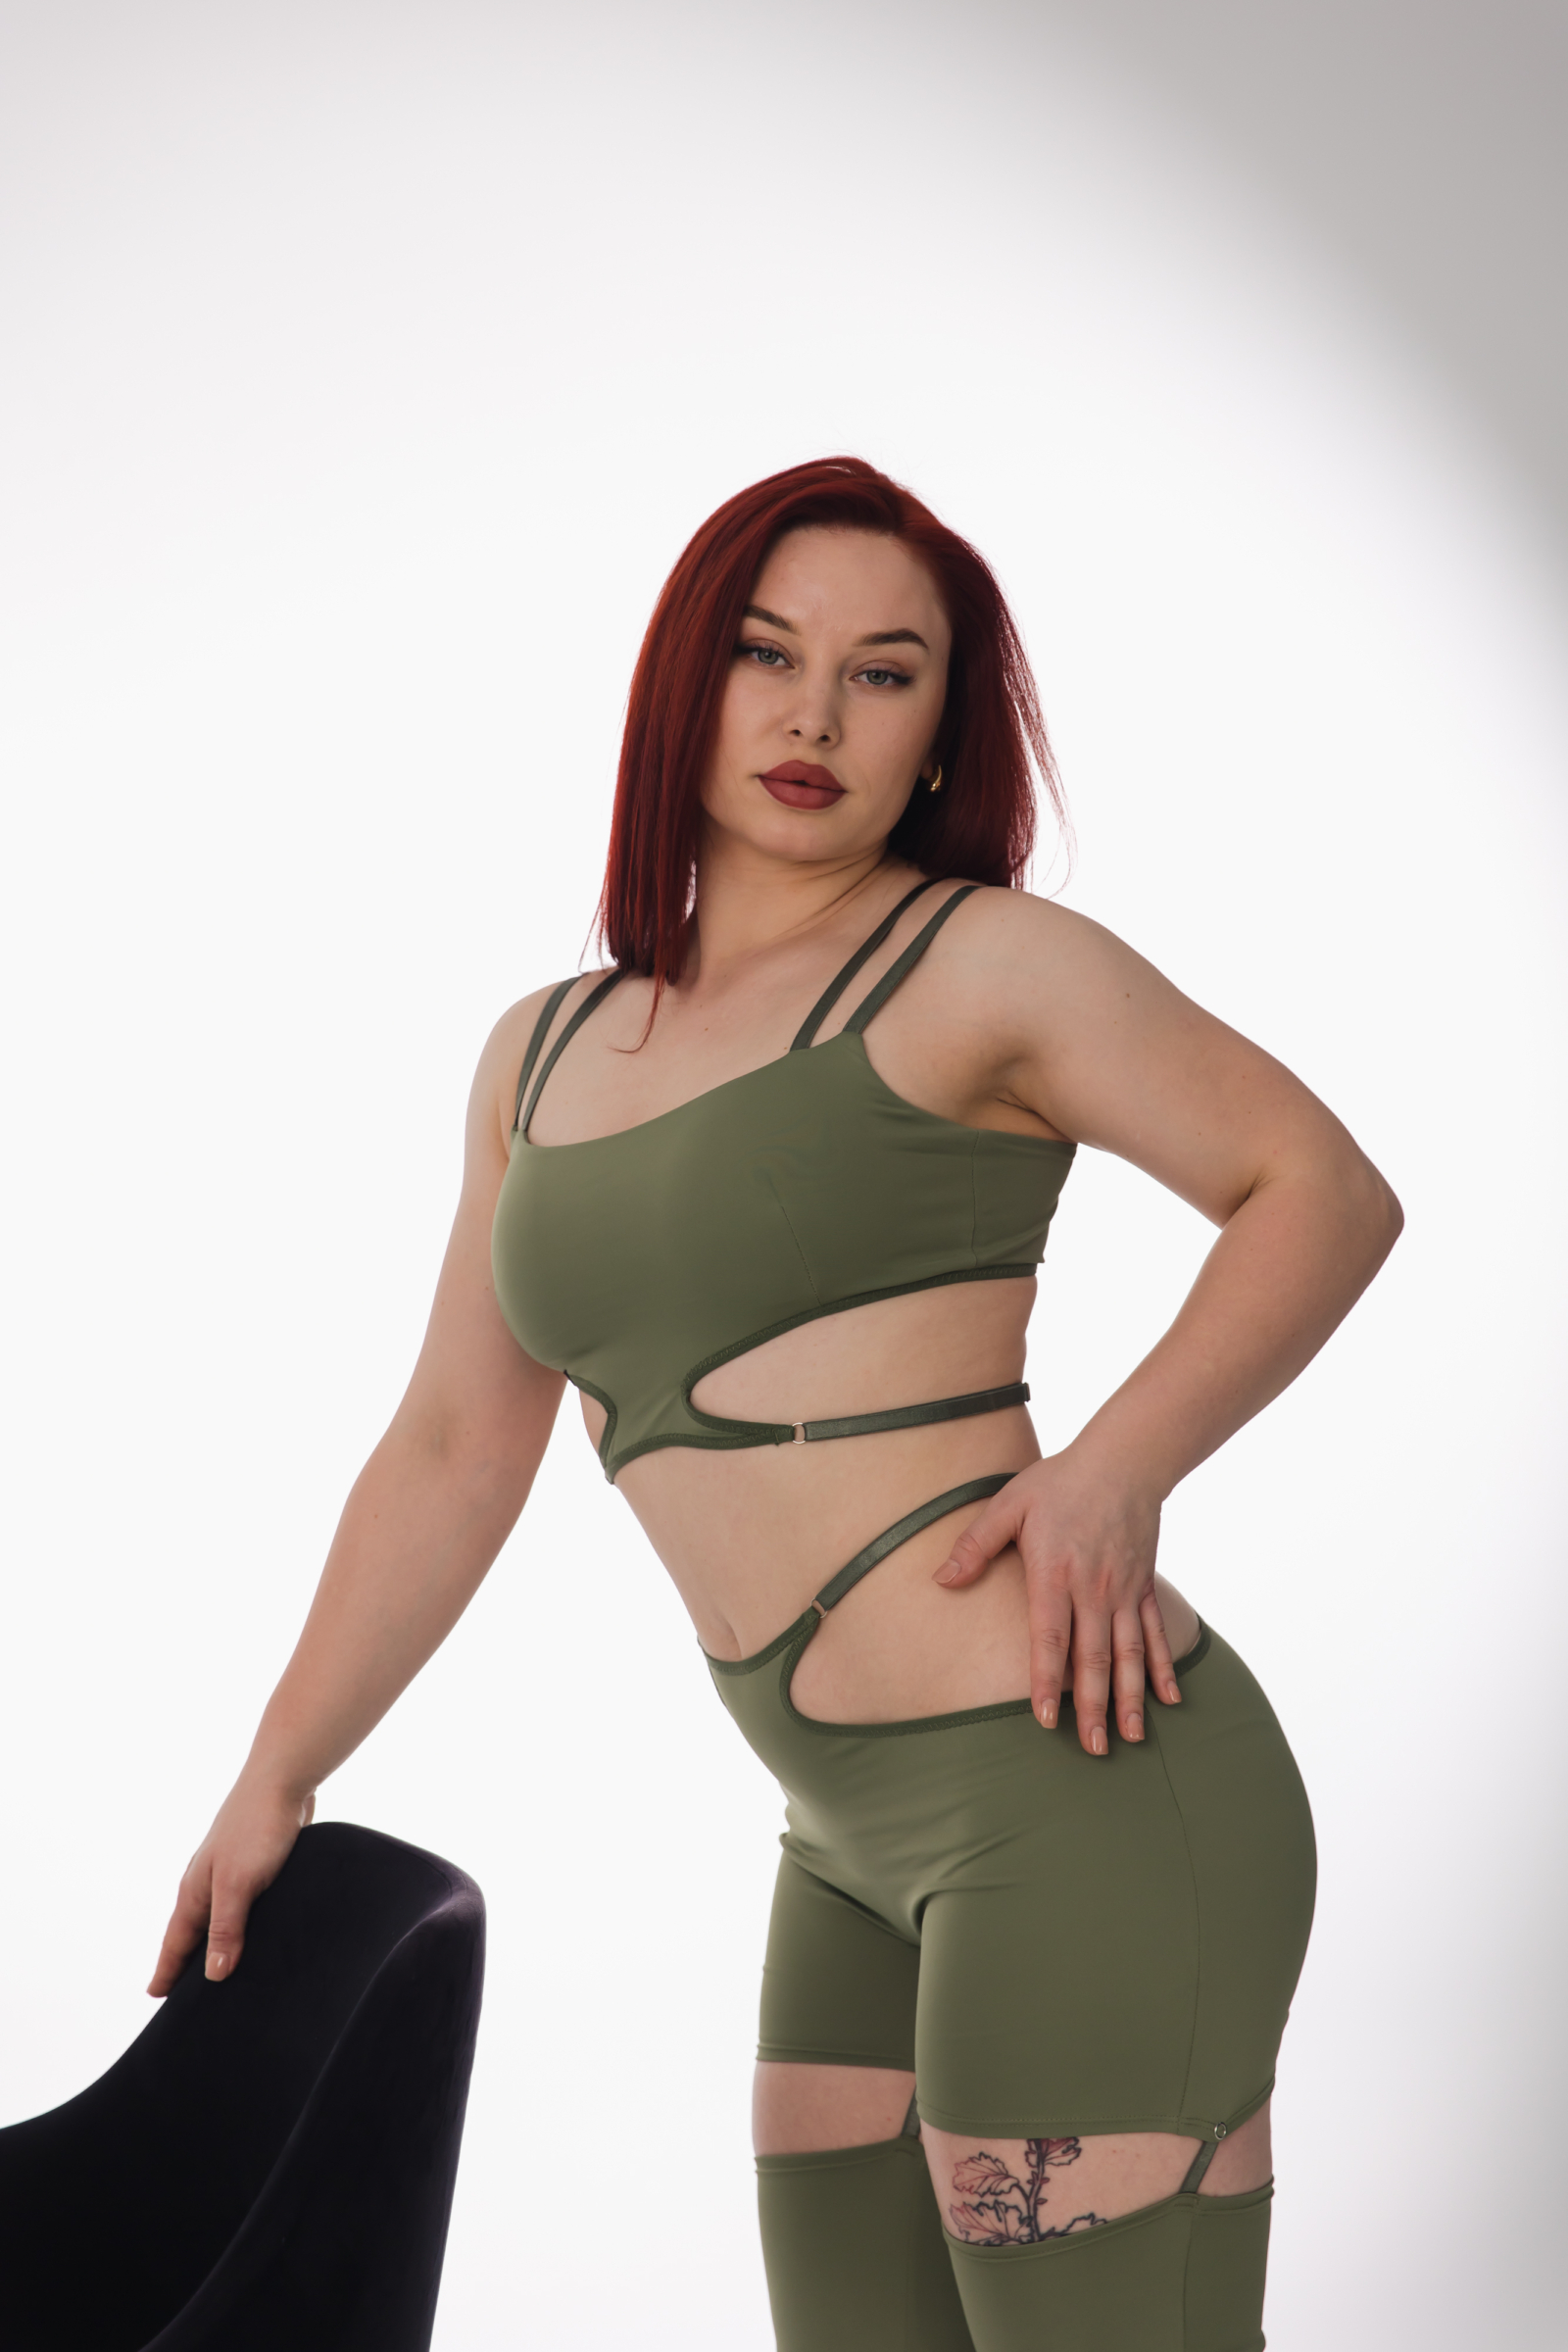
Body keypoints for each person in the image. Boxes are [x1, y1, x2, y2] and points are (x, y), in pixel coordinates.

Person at [149, 457, 1400, 2350]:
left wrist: (1117, 1471)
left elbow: (1321, 1190)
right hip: (841, 1842)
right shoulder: (540, 1052)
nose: (815, 716)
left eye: (883, 674)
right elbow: (454, 1444)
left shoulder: (981, 964)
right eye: (767, 654)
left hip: (1079, 1797)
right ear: (689, 682)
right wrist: (279, 1770)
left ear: (939, 735)